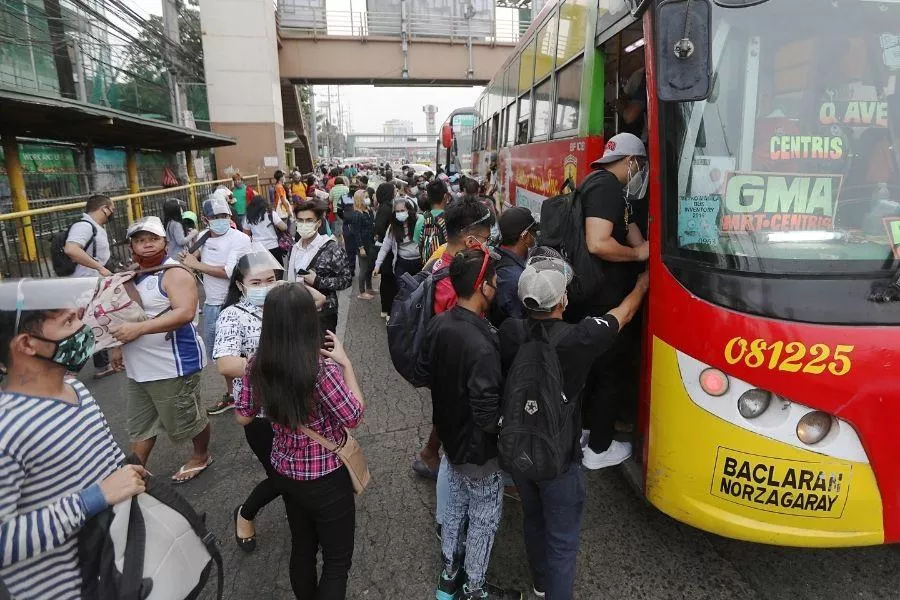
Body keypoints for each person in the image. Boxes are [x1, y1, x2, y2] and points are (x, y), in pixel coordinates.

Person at [498, 251, 648, 599]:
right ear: (562, 300)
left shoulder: (509, 332)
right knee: (563, 542)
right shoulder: (579, 338)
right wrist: (641, 285)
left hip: (519, 448)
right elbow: (621, 315)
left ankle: (539, 583)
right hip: (558, 457)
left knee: (533, 519)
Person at [0, 278, 149, 599]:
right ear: (27, 344)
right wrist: (91, 499)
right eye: (69, 321)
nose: (84, 327)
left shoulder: (76, 389)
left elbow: (110, 468)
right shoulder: (7, 428)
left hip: (117, 570)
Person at [235, 283, 364, 599]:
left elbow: (243, 416)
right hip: (326, 476)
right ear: (308, 320)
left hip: (285, 471)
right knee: (336, 562)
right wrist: (346, 363)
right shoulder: (320, 367)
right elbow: (353, 416)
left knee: (302, 547)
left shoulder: (255, 363)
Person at [416, 248, 521, 600]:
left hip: (451, 439)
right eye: (492, 281)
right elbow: (487, 411)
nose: (496, 286)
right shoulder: (484, 341)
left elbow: (431, 376)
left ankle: (448, 578)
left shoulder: (440, 323)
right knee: (483, 520)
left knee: (454, 509)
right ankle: (474, 588)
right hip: (478, 451)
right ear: (482, 287)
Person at [215, 246, 326, 552]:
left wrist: (290, 286)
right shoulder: (232, 316)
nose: (264, 287)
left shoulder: (283, 304)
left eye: (270, 280)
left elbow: (319, 299)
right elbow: (225, 364)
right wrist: (279, 365)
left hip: (300, 403)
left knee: (301, 467)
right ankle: (246, 512)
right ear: (240, 285)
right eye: (255, 282)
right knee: (281, 475)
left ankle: (302, 520)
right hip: (261, 413)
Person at [110, 216, 213, 483]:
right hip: (139, 367)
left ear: (164, 242)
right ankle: (135, 469)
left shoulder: (174, 273)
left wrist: (138, 331)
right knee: (140, 424)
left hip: (173, 364)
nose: (146, 245)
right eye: (140, 240)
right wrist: (119, 346)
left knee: (188, 418)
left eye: (153, 239)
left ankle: (201, 455)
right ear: (131, 246)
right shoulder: (132, 273)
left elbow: (185, 313)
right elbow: (125, 315)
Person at [575, 132, 650, 469]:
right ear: (632, 161)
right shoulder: (606, 187)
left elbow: (627, 225)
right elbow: (598, 243)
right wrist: (636, 254)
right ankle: (599, 450)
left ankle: (588, 432)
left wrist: (640, 243)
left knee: (593, 371)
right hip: (602, 300)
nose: (641, 172)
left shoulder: (605, 187)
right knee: (607, 374)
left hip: (595, 295)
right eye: (641, 165)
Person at [412, 196, 496, 480]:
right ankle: (442, 461)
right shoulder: (454, 281)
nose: (487, 244)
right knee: (452, 414)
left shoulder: (440, 256)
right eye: (485, 238)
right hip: (453, 361)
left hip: (441, 356)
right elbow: (460, 327)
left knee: (445, 411)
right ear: (471, 238)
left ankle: (433, 454)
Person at [179, 195, 251, 415]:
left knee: (243, 354)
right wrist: (189, 265)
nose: (220, 220)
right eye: (214, 216)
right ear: (204, 218)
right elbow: (189, 261)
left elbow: (229, 273)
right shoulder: (202, 237)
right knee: (222, 356)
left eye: (223, 216)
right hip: (211, 307)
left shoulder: (239, 239)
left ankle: (251, 394)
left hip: (234, 304)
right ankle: (232, 395)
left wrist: (197, 265)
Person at [63, 193, 117, 379]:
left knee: (95, 322)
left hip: (90, 285)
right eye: (112, 208)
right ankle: (68, 373)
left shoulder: (95, 227)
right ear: (104, 209)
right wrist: (99, 267)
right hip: (82, 287)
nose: (113, 213)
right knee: (86, 327)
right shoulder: (84, 226)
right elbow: (71, 249)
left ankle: (102, 364)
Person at [286, 200, 352, 335]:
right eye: (300, 220)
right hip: (297, 309)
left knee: (324, 352)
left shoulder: (332, 248)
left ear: (318, 223)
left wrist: (318, 281)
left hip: (323, 312)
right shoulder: (294, 248)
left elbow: (346, 279)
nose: (304, 224)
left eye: (309, 220)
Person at [489, 207, 538, 327]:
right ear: (525, 236)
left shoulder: (496, 256)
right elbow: (519, 324)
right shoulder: (516, 278)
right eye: (534, 232)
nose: (536, 237)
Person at [373, 197, 420, 282]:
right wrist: (377, 265)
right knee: (403, 291)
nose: (400, 213)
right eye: (397, 211)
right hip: (403, 264)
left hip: (419, 263)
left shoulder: (418, 222)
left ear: (409, 210)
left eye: (402, 210)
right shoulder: (393, 228)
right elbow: (384, 248)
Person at [343, 189, 377, 299]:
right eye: (365, 197)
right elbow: (356, 233)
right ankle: (362, 292)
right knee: (363, 268)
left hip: (371, 242)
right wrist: (361, 247)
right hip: (362, 244)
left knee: (370, 266)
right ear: (359, 199)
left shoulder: (368, 211)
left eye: (368, 197)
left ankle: (369, 287)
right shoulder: (357, 214)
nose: (368, 199)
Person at [373, 182, 398, 318]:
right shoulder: (387, 208)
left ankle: (385, 309)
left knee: (386, 280)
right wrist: (390, 234)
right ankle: (388, 310)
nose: (396, 192)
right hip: (386, 248)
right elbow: (379, 228)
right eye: (394, 190)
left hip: (385, 247)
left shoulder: (384, 207)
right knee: (389, 280)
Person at [243, 193, 288, 264]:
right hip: (273, 247)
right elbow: (283, 227)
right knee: (277, 271)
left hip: (257, 248)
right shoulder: (271, 214)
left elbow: (246, 234)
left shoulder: (248, 217)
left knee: (263, 272)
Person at [414, 178, 450, 264]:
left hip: (427, 269)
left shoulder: (422, 219)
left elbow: (419, 244)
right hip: (445, 268)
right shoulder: (451, 218)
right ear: (445, 196)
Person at [329, 176, 350, 243]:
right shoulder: (346, 189)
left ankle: (340, 237)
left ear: (335, 183)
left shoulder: (333, 189)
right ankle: (346, 236)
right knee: (346, 223)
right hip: (346, 209)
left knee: (338, 223)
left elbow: (330, 199)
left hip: (337, 210)